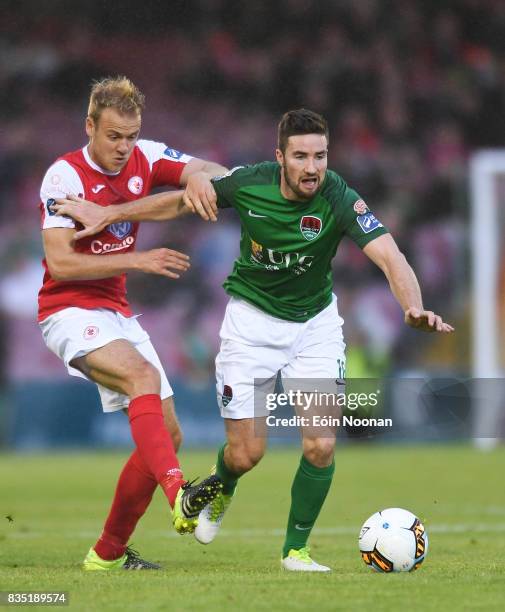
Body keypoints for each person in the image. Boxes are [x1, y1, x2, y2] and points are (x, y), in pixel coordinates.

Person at [51, 108, 454, 572]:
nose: (312, 167)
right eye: (301, 156)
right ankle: (221, 488)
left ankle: (296, 552)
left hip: (315, 326)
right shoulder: (249, 184)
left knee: (321, 443)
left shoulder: (340, 197)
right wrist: (111, 213)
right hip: (251, 327)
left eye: (320, 156)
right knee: (247, 454)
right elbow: (180, 202)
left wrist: (412, 306)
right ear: (279, 157)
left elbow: (390, 255)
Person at [38, 76, 227, 571]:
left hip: (117, 313)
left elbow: (213, 171)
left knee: (166, 436)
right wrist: (137, 261)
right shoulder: (64, 177)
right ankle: (180, 495)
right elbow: (60, 264)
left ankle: (107, 554)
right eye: (113, 136)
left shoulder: (147, 156)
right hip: (67, 310)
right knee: (142, 379)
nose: (123, 147)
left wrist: (201, 176)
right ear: (90, 127)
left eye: (131, 135)